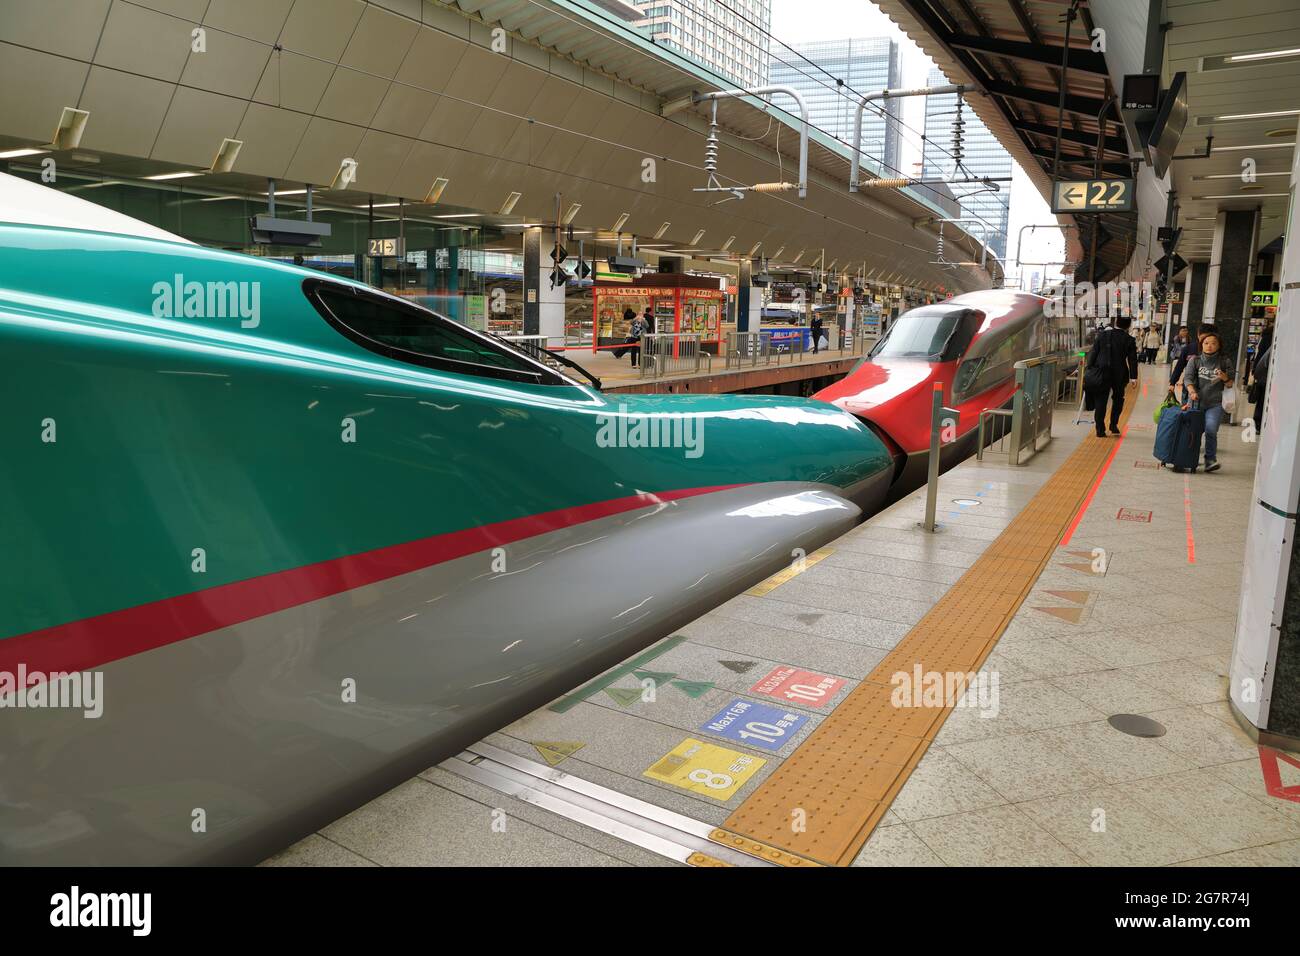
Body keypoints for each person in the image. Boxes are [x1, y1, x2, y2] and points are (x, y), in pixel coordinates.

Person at [1182, 330, 1235, 473]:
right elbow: (1187, 378)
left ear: (1219, 345)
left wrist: (1224, 377)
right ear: (1201, 345)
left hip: (1215, 404)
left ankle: (1210, 460)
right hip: (1196, 402)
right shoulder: (1195, 360)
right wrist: (1192, 391)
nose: (1209, 346)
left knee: (1211, 430)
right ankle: (1187, 458)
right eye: (1206, 343)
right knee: (1193, 432)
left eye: (1213, 343)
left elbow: (1230, 384)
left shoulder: (1225, 361)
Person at [1086, 315, 1139, 437]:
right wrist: (1133, 377)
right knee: (1118, 399)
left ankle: (1100, 430)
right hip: (1119, 374)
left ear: (1116, 322)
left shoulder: (1103, 335)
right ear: (1129, 325)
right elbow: (1132, 360)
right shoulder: (1129, 339)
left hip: (1101, 373)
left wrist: (1090, 369)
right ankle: (1113, 425)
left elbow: (1094, 353)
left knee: (1101, 401)